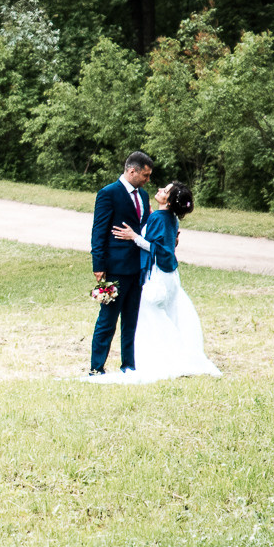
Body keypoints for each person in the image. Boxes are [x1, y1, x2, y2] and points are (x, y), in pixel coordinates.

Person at [129, 180, 220, 382]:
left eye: (165, 190)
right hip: (170, 275)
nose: (160, 190)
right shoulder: (171, 219)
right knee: (164, 312)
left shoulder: (159, 218)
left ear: (169, 201)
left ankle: (166, 356)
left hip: (158, 274)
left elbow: (156, 247)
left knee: (150, 312)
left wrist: (134, 236)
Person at [85, 150, 152, 378]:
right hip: (114, 268)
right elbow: (99, 230)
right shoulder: (108, 193)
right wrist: (99, 264)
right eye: (145, 175)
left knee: (131, 320)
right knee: (108, 319)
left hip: (137, 269)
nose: (147, 180)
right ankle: (97, 368)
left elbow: (143, 229)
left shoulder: (143, 196)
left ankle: (128, 366)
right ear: (131, 171)